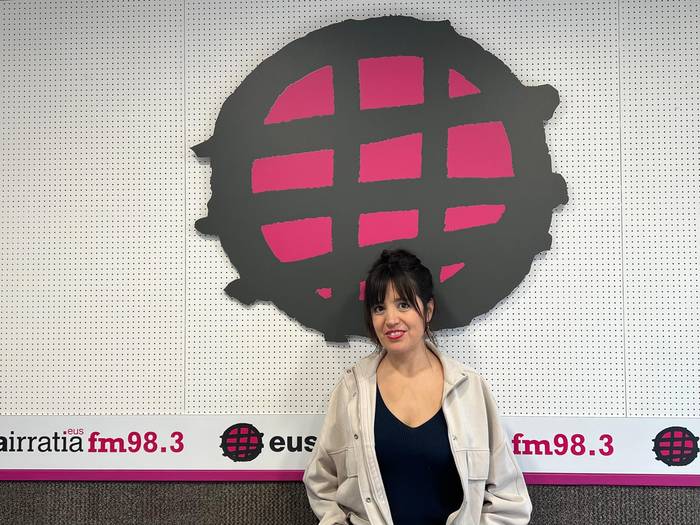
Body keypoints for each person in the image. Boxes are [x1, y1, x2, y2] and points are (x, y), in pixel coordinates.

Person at [303, 249, 532, 525]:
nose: (390, 319)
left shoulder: (469, 388)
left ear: (428, 310)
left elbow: (508, 499)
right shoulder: (353, 389)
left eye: (403, 304)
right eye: (379, 308)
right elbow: (321, 480)